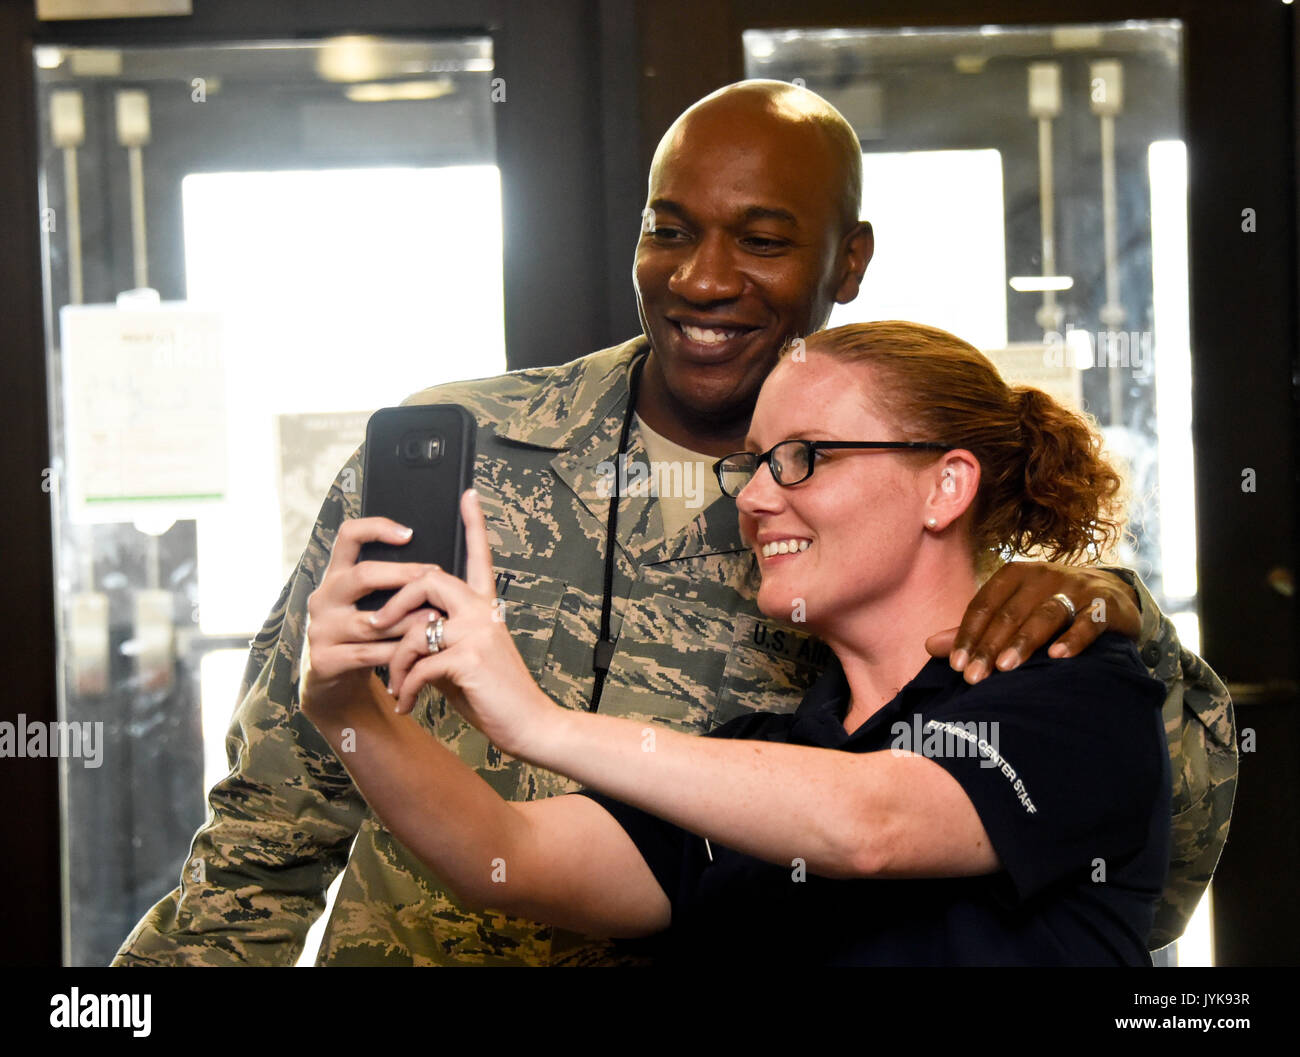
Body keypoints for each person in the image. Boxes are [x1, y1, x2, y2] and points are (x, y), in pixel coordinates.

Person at [113, 81, 1233, 967]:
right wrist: (345, 706)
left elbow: (915, 825)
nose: (704, 278)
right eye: (670, 228)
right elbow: (475, 848)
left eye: (761, 237)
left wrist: (1114, 605)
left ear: (848, 258)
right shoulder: (768, 745)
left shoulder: (1052, 678)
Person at [299, 320, 1173, 966]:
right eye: (751, 463)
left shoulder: (1071, 689)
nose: (754, 498)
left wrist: (536, 719)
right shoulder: (767, 753)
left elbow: (871, 824)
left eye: (800, 457)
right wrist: (348, 708)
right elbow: (509, 856)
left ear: (945, 485)